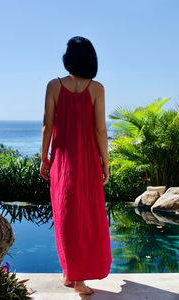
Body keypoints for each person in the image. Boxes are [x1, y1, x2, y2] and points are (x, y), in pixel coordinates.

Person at [40, 36, 112, 295]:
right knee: (87, 216)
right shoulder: (97, 89)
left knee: (65, 215)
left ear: (68, 58)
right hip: (88, 161)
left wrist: (43, 157)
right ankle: (75, 278)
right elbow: (100, 130)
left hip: (62, 161)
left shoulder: (53, 86)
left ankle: (73, 276)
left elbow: (47, 125)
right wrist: (105, 161)